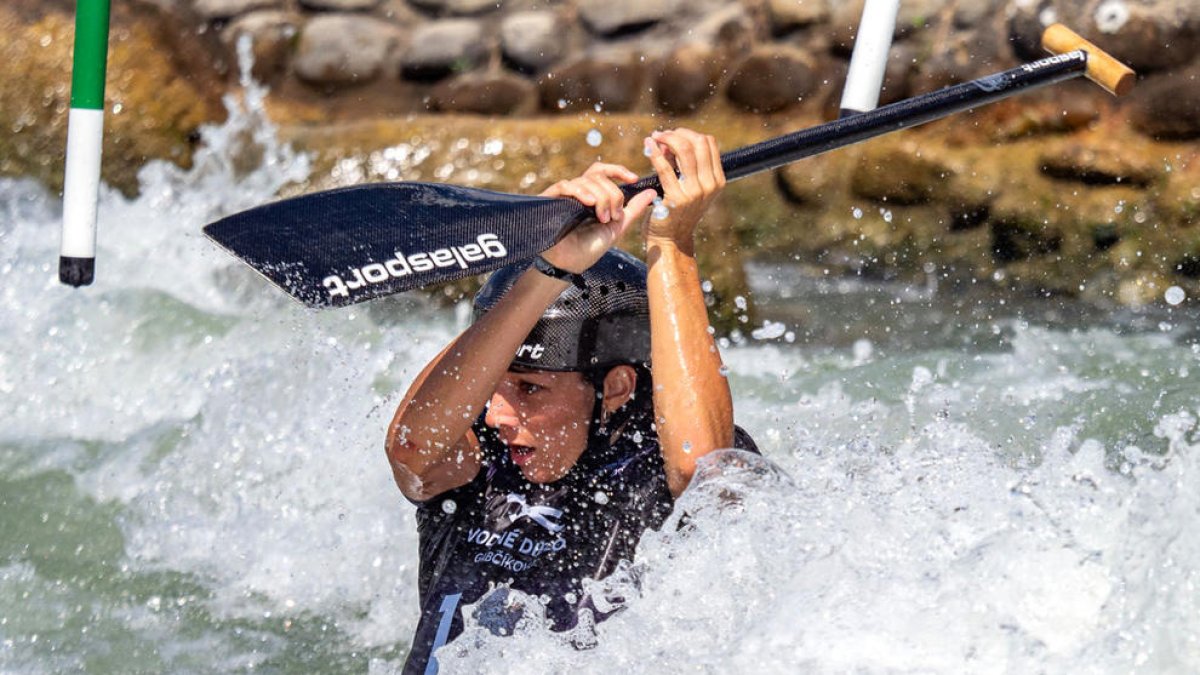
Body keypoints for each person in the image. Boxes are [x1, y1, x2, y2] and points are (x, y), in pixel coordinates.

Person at [385, 128, 758, 674]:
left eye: (531, 389)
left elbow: (700, 469)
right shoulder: (472, 456)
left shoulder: (653, 462)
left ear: (616, 388)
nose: (498, 415)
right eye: (496, 384)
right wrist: (544, 266)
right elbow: (411, 451)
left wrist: (673, 243)